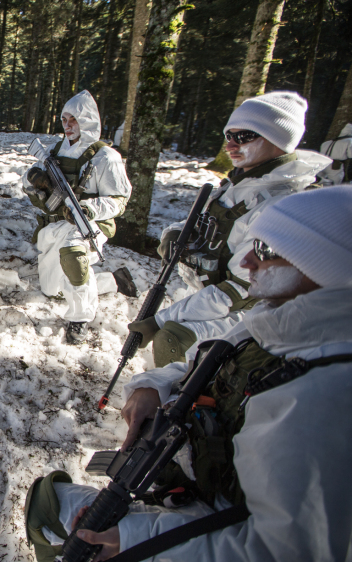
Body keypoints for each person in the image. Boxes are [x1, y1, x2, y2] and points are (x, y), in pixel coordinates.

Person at [24, 185, 352, 562]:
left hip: (216, 529)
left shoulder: (323, 397)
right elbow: (203, 364)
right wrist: (153, 387)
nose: (246, 261)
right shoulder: (277, 322)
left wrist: (130, 539)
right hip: (189, 486)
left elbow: (275, 551)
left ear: (322, 266)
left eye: (266, 251)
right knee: (46, 502)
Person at [129, 92, 330, 367]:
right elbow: (197, 223)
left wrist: (160, 320)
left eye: (244, 136)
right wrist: (173, 234)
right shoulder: (238, 185)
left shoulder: (282, 203)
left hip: (256, 312)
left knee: (172, 338)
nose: (231, 145)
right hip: (214, 299)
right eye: (229, 136)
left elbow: (238, 290)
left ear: (278, 140)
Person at [23, 89, 132, 344]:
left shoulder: (106, 157)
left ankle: (80, 318)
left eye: (74, 120)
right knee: (52, 289)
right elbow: (28, 182)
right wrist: (35, 180)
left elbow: (119, 201)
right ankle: (113, 281)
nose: (68, 125)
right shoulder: (55, 151)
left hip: (88, 225)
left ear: (88, 120)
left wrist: (90, 209)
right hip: (56, 225)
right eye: (64, 120)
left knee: (74, 258)